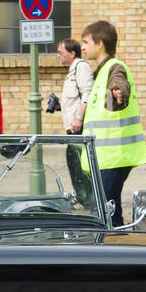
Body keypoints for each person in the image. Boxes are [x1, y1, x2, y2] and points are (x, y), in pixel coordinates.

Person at [78, 20, 146, 227]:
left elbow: (119, 89)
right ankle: (118, 250)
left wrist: (118, 94)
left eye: (85, 42)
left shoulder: (114, 68)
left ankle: (116, 251)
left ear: (99, 44)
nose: (82, 46)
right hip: (107, 157)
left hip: (115, 156)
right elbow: (107, 104)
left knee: (106, 212)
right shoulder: (101, 71)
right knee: (109, 210)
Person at [50, 37, 96, 204]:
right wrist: (59, 106)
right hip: (72, 127)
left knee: (79, 165)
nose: (58, 55)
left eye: (61, 52)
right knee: (73, 163)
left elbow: (87, 94)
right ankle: (83, 198)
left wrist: (78, 118)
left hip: (78, 127)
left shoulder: (81, 67)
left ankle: (87, 200)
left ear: (72, 53)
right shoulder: (73, 69)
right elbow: (75, 99)